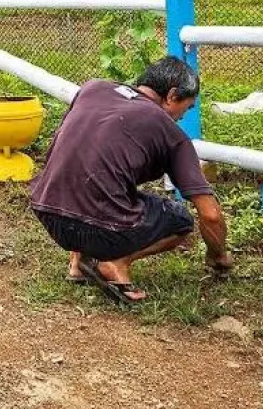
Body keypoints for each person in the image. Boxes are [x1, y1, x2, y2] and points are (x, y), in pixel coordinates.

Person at [29, 57, 231, 304]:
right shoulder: (169, 132)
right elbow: (209, 215)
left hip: (47, 212)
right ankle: (114, 263)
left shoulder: (93, 89)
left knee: (102, 179)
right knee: (179, 219)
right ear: (172, 95)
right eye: (187, 108)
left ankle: (78, 262)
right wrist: (218, 256)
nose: (182, 117)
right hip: (98, 229)